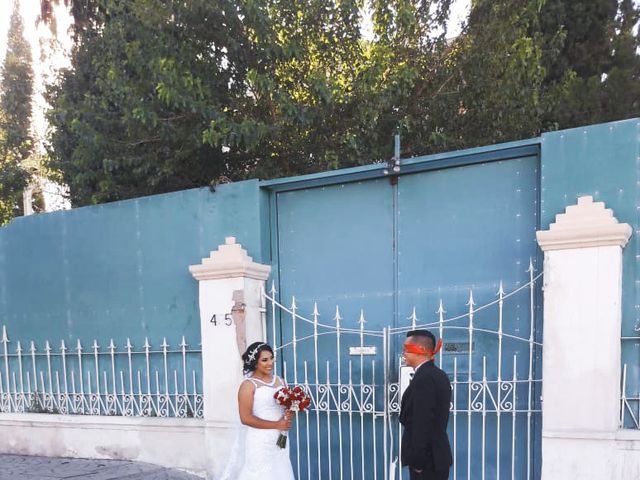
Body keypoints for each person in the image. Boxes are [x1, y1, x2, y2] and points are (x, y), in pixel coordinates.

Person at [226, 341, 295, 480]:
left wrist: (289, 413)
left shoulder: (281, 381)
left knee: (280, 470)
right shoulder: (248, 385)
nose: (270, 363)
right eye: (264, 360)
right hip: (259, 440)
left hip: (280, 438)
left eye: (271, 358)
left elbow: (286, 407)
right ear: (254, 363)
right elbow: (245, 418)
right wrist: (277, 424)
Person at [400, 329, 453, 480]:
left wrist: (418, 462)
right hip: (434, 458)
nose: (404, 354)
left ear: (421, 350)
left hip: (427, 462)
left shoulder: (425, 378)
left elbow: (422, 422)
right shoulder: (438, 375)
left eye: (406, 350)